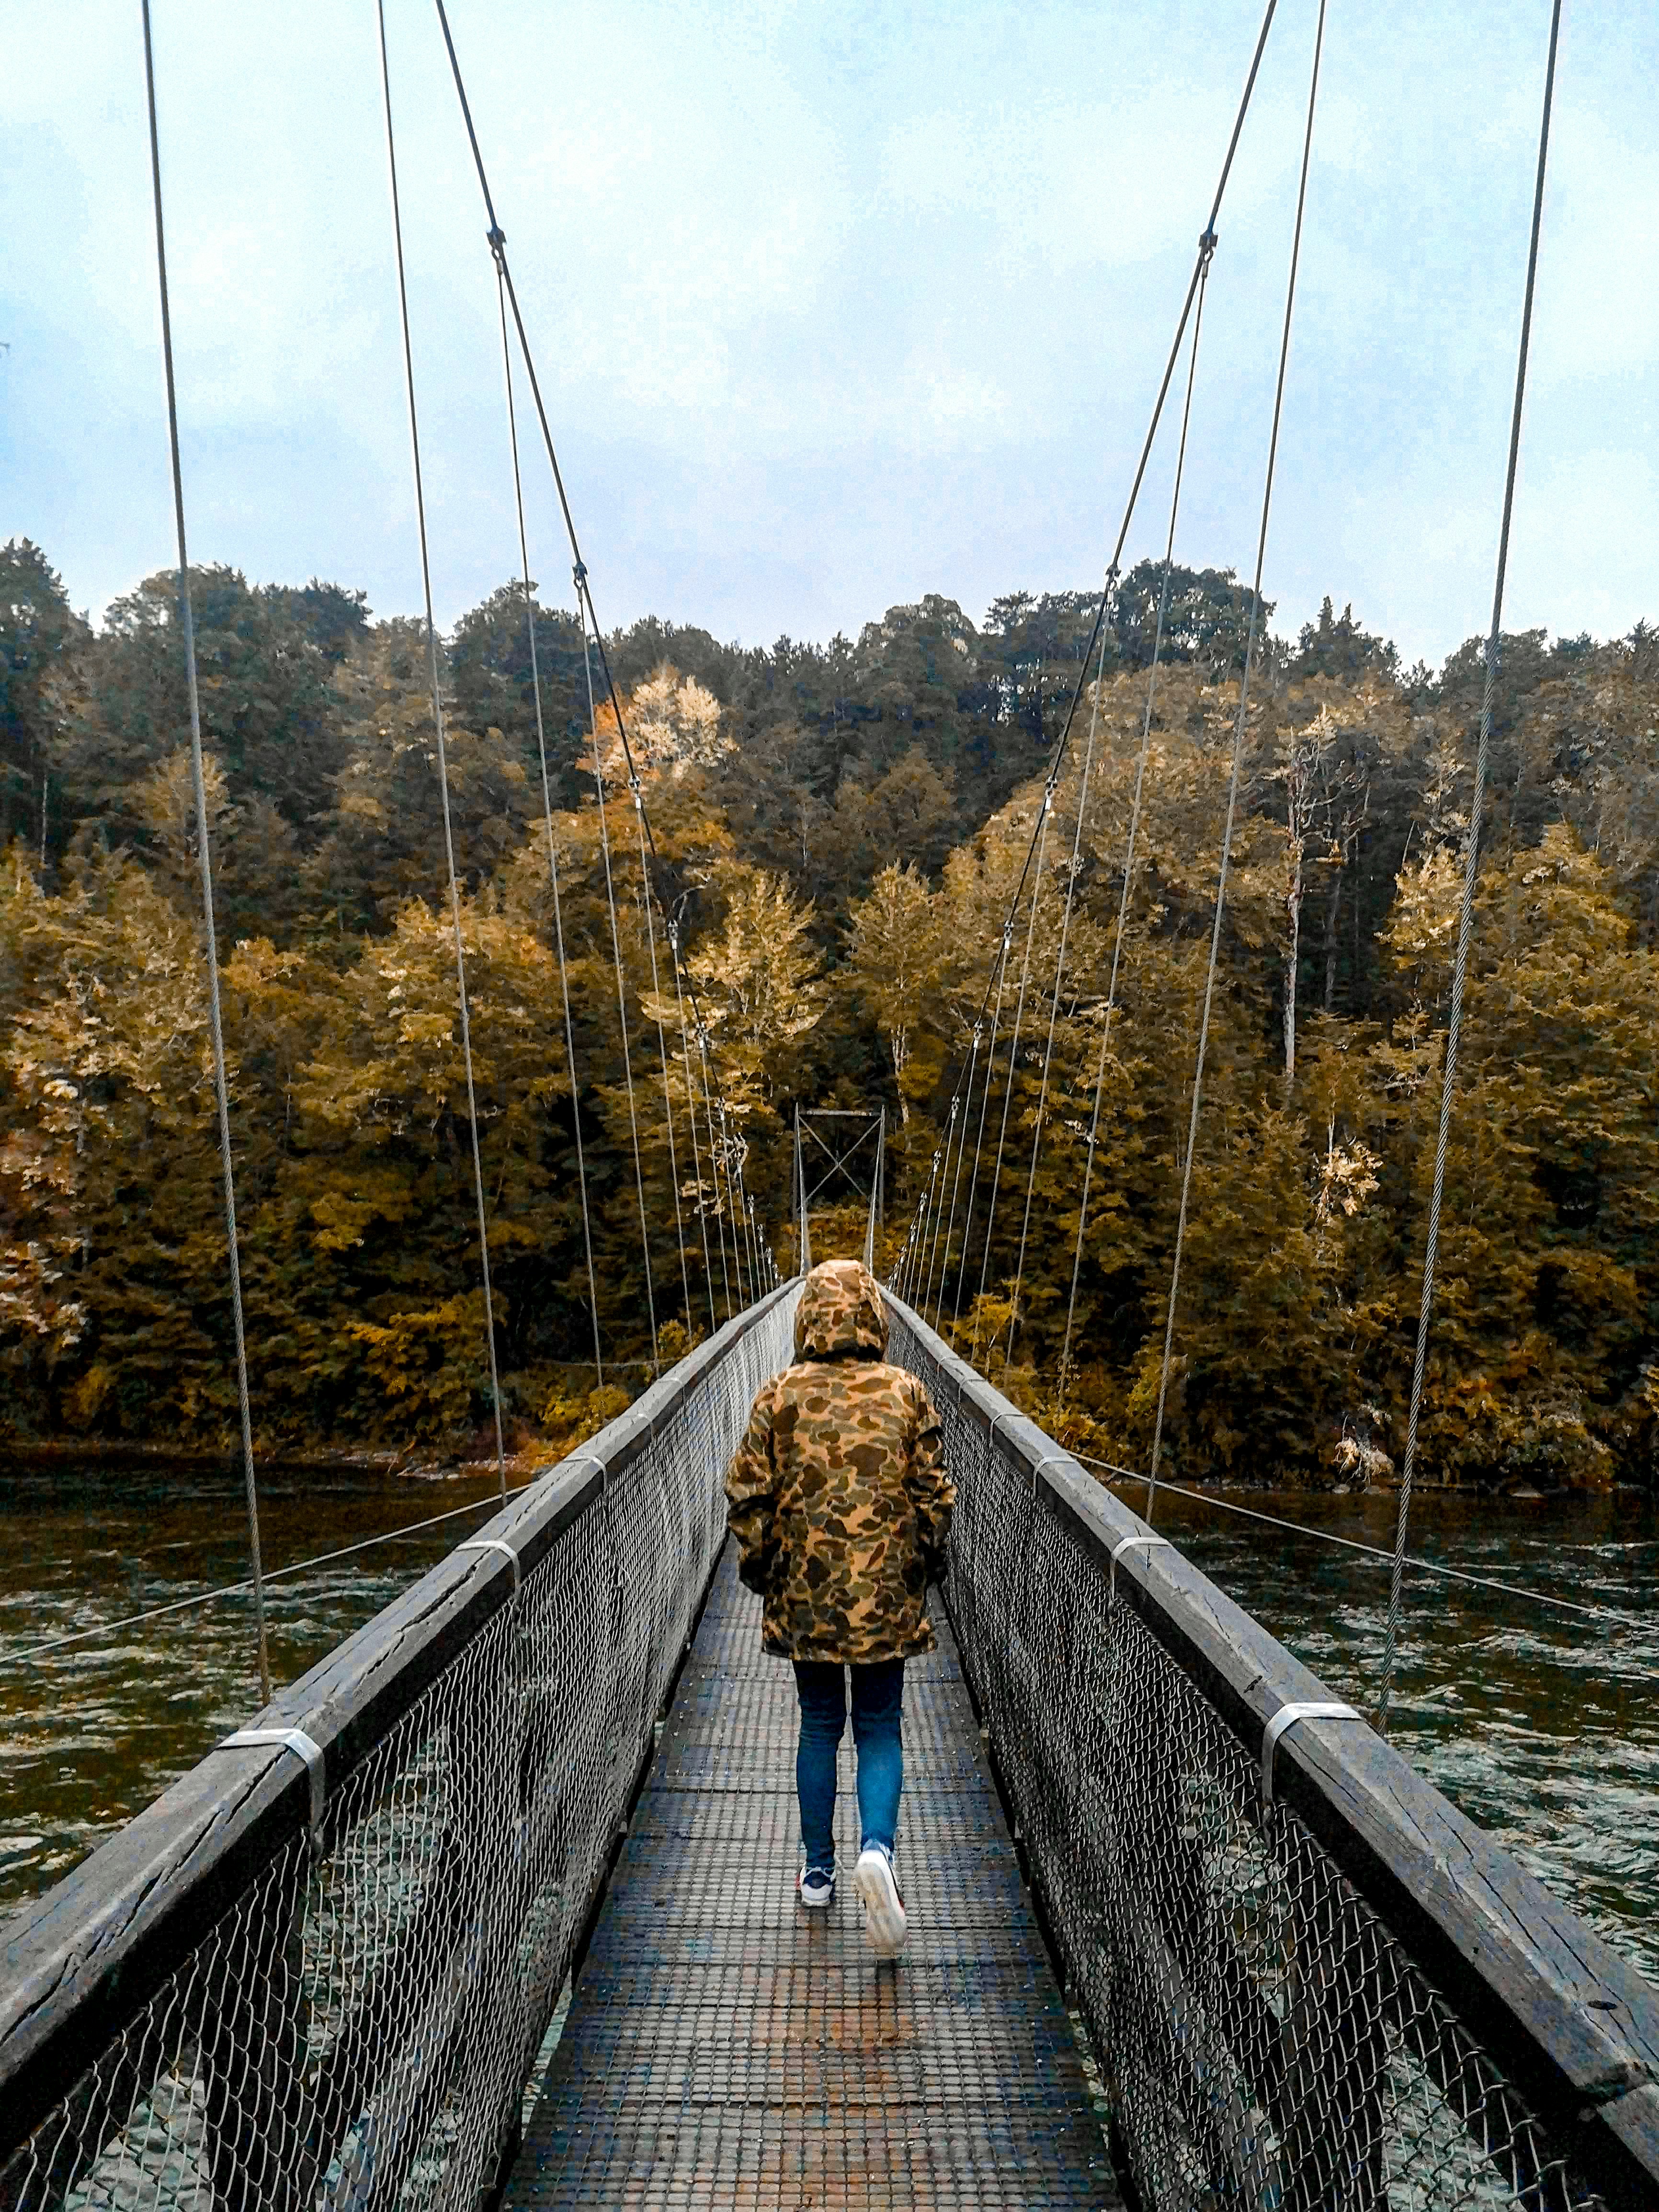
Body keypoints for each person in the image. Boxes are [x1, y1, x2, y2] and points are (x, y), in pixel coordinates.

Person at [725, 1257, 954, 1958]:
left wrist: (764, 1572)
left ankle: (819, 1872)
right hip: (886, 1596)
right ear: (874, 1314)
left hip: (808, 1597)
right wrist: (922, 1567)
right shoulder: (907, 1392)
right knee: (881, 1725)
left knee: (820, 1723)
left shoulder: (777, 1395)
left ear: (808, 1317)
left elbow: (747, 1497)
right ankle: (878, 1851)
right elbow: (936, 1498)